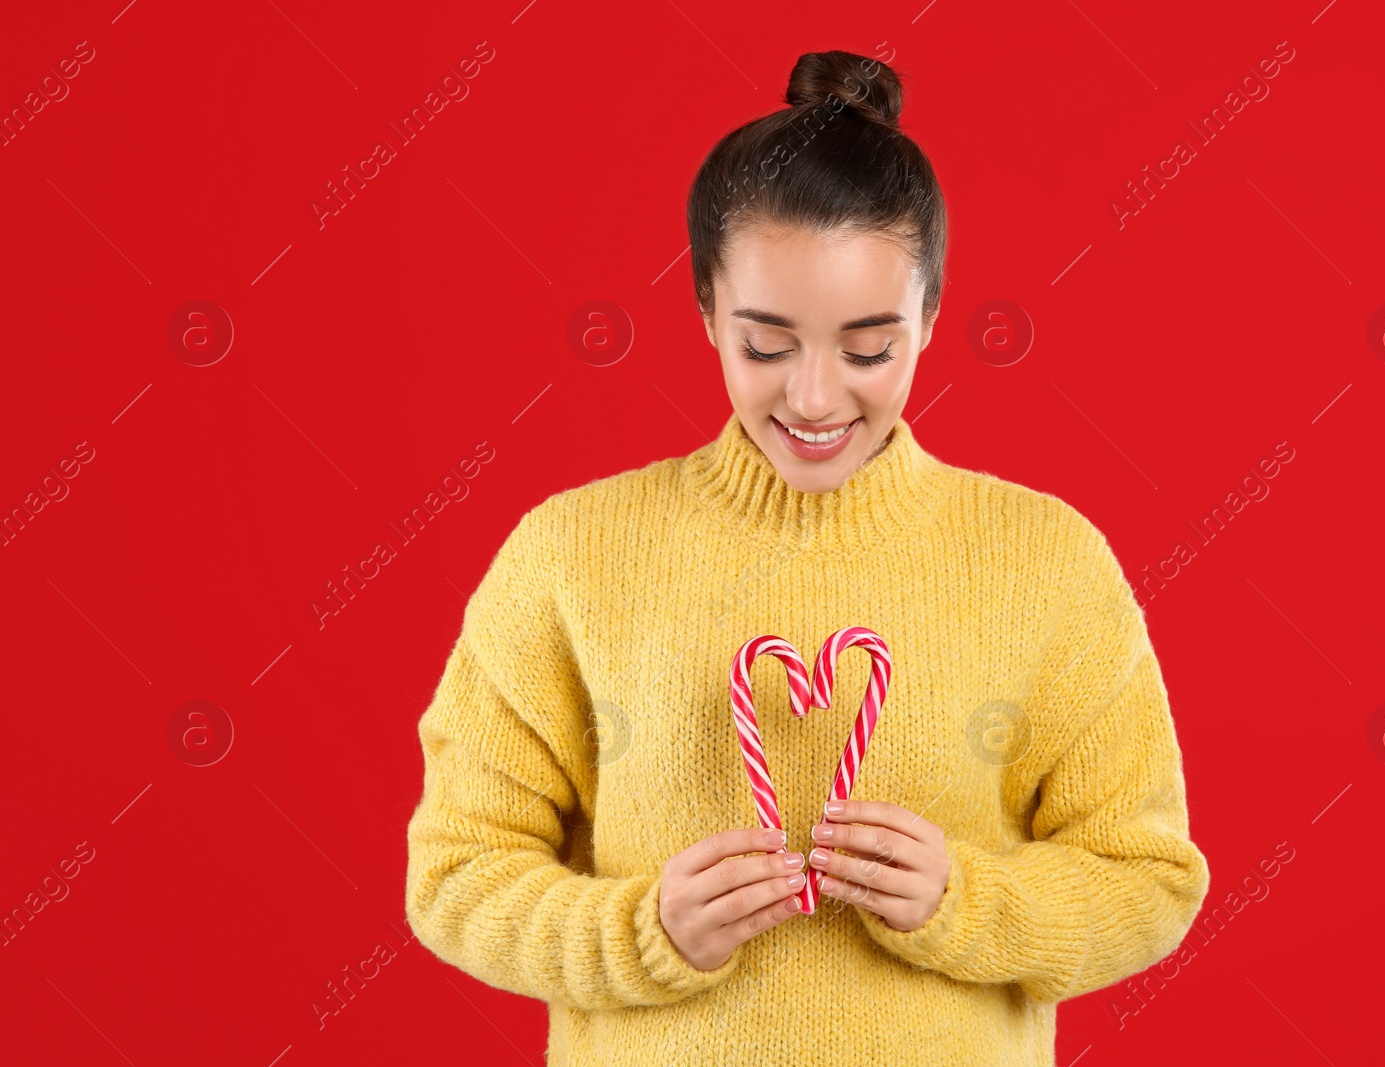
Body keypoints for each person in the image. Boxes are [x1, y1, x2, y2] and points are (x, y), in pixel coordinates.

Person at [404, 48, 1209, 1067]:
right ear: (705, 310)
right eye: (766, 343)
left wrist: (967, 901)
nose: (817, 398)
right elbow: (457, 873)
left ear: (927, 315)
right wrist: (645, 930)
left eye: (868, 347)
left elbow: (1146, 880)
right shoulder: (571, 552)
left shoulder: (1046, 560)